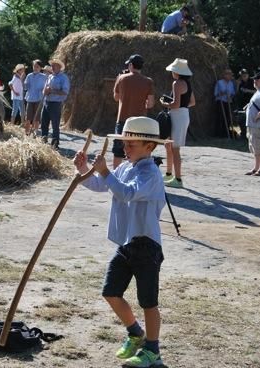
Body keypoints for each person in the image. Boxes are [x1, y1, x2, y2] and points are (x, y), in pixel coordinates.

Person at [73, 116, 167, 368]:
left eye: (131, 145)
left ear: (150, 147)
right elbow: (101, 185)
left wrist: (104, 170)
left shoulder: (151, 173)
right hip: (126, 245)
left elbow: (127, 193)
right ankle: (136, 333)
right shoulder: (126, 167)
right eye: (124, 143)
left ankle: (153, 351)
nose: (125, 149)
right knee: (111, 292)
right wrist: (83, 170)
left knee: (148, 301)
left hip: (146, 246)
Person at [112, 54, 155, 169]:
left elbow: (116, 97)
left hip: (123, 119)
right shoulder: (148, 81)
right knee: (137, 151)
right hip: (140, 123)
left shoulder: (121, 78)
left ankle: (116, 176)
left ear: (131, 65)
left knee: (118, 151)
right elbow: (150, 104)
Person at [160, 58, 196, 189]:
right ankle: (169, 174)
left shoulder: (177, 83)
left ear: (177, 72)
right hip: (183, 114)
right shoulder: (187, 83)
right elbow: (192, 102)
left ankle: (178, 179)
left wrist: (165, 103)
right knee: (169, 146)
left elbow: (175, 104)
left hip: (177, 115)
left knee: (174, 149)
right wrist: (180, 105)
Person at [40, 58, 70, 149]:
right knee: (44, 122)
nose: (52, 67)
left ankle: (55, 143)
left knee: (55, 124)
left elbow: (65, 92)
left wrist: (52, 91)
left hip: (56, 103)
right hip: (46, 102)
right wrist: (45, 91)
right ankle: (43, 140)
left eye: (54, 65)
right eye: (52, 65)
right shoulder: (50, 77)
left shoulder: (63, 78)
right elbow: (44, 90)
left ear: (59, 67)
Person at [24, 60, 47, 136]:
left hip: (39, 99)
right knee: (28, 117)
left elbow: (46, 87)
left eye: (37, 66)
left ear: (40, 68)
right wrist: (24, 82)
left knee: (37, 118)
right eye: (34, 66)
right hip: (30, 98)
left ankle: (35, 133)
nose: (35, 68)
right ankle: (26, 133)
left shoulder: (44, 77)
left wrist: (44, 90)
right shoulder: (29, 76)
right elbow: (25, 87)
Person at [214, 69, 236, 138]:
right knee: (220, 118)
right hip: (220, 102)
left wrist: (231, 97)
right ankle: (219, 133)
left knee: (228, 118)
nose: (230, 76)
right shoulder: (219, 83)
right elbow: (215, 94)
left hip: (228, 102)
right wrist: (223, 93)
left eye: (230, 74)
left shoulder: (231, 83)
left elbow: (232, 93)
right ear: (224, 75)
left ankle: (226, 132)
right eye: (228, 74)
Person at [236, 69, 255, 138]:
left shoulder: (253, 81)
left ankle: (252, 135)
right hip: (242, 103)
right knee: (241, 119)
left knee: (252, 119)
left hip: (252, 103)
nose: (243, 77)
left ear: (248, 75)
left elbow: (257, 92)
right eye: (242, 75)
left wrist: (248, 91)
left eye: (245, 75)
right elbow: (236, 93)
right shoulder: (240, 82)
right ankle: (243, 134)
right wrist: (237, 85)